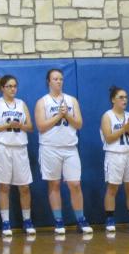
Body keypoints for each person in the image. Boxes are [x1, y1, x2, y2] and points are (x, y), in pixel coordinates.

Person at [34, 68, 92, 235]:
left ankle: (80, 220)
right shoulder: (42, 102)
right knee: (54, 184)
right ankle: (59, 221)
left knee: (75, 184)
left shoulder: (71, 100)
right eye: (55, 79)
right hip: (50, 148)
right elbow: (41, 126)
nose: (59, 81)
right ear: (48, 81)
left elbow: (79, 124)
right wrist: (59, 116)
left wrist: (67, 116)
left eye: (60, 78)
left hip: (70, 148)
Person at [0, 74, 35, 237]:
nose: (13, 89)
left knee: (25, 187)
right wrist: (6, 125)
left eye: (15, 86)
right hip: (2, 147)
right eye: (9, 86)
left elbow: (30, 127)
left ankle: (27, 221)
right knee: (4, 186)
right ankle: (6, 222)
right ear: (2, 88)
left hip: (20, 147)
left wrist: (20, 125)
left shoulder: (21, 104)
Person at [100, 86, 129, 232]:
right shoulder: (107, 116)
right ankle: (110, 219)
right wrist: (123, 129)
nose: (124, 100)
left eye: (126, 97)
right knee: (112, 188)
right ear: (113, 99)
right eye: (121, 97)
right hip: (115, 155)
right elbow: (108, 137)